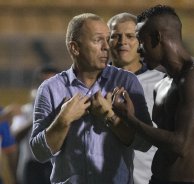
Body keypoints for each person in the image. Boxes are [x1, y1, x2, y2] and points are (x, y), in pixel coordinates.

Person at [101, 5, 194, 184]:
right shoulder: (163, 83)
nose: (138, 50)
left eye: (140, 40)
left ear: (157, 37)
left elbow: (181, 145)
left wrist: (130, 119)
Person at [29, 13, 152, 184]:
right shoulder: (50, 89)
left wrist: (111, 117)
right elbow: (39, 153)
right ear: (75, 48)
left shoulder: (127, 82)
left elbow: (145, 143)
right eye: (97, 40)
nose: (106, 47)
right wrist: (63, 120)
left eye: (107, 39)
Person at [107, 12, 165, 184]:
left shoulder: (161, 83)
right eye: (115, 36)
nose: (122, 41)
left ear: (140, 41)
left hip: (148, 178)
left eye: (129, 36)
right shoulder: (94, 82)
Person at [11, 65, 59, 184]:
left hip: (56, 163)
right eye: (43, 84)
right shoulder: (26, 111)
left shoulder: (65, 110)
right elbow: (15, 136)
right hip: (32, 166)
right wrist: (35, 117)